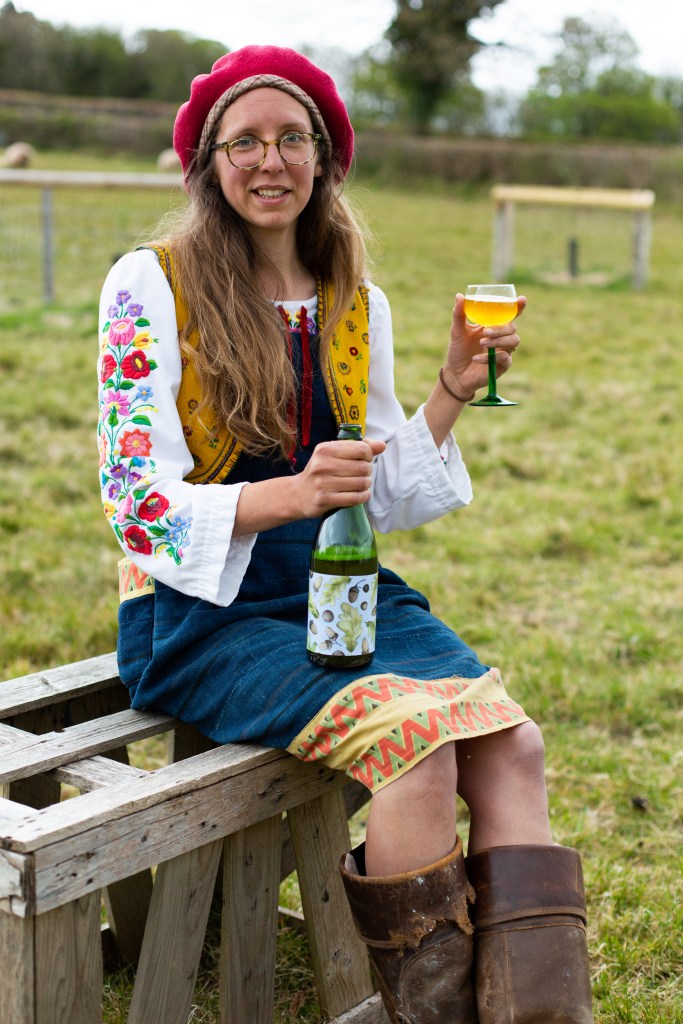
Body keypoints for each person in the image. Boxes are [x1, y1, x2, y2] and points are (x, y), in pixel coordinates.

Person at [97, 45, 593, 1024]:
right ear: (207, 162)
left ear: (323, 159)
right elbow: (133, 501)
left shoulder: (353, 300)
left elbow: (383, 495)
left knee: (512, 744)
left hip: (341, 588)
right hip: (200, 610)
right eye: (244, 141)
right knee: (416, 747)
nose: (269, 160)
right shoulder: (151, 284)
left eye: (293, 139)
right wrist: (288, 495)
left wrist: (450, 389)